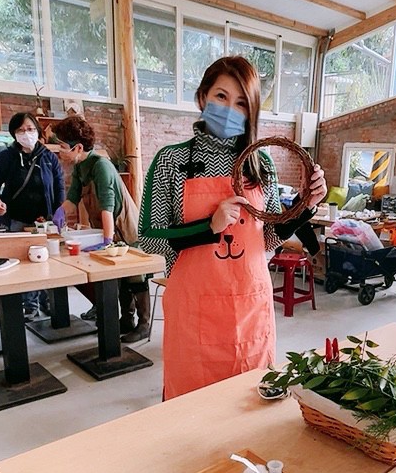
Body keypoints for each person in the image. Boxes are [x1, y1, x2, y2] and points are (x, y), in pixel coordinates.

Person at [137, 55, 326, 400]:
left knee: (247, 406)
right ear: (202, 97)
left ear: (251, 111)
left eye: (241, 102)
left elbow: (268, 236)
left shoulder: (261, 164)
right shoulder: (172, 161)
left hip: (249, 311)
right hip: (193, 313)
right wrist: (208, 227)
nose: (230, 109)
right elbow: (149, 239)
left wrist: (305, 205)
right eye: (221, 97)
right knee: (191, 412)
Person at [52, 116, 151, 338]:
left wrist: (106, 242)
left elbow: (107, 208)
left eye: (62, 146)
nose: (59, 150)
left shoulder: (102, 167)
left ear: (77, 147)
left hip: (124, 230)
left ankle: (143, 325)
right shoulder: (80, 168)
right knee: (119, 278)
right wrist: (59, 213)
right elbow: (72, 199)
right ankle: (126, 319)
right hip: (107, 230)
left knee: (134, 278)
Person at [0, 112, 64, 321]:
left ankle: (47, 302)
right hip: (17, 220)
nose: (26, 133)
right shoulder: (6, 157)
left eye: (30, 129)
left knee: (46, 262)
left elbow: (59, 186)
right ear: (14, 134)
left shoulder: (48, 157)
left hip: (44, 221)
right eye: (20, 130)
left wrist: (59, 211)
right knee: (23, 263)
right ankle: (29, 306)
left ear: (37, 131)